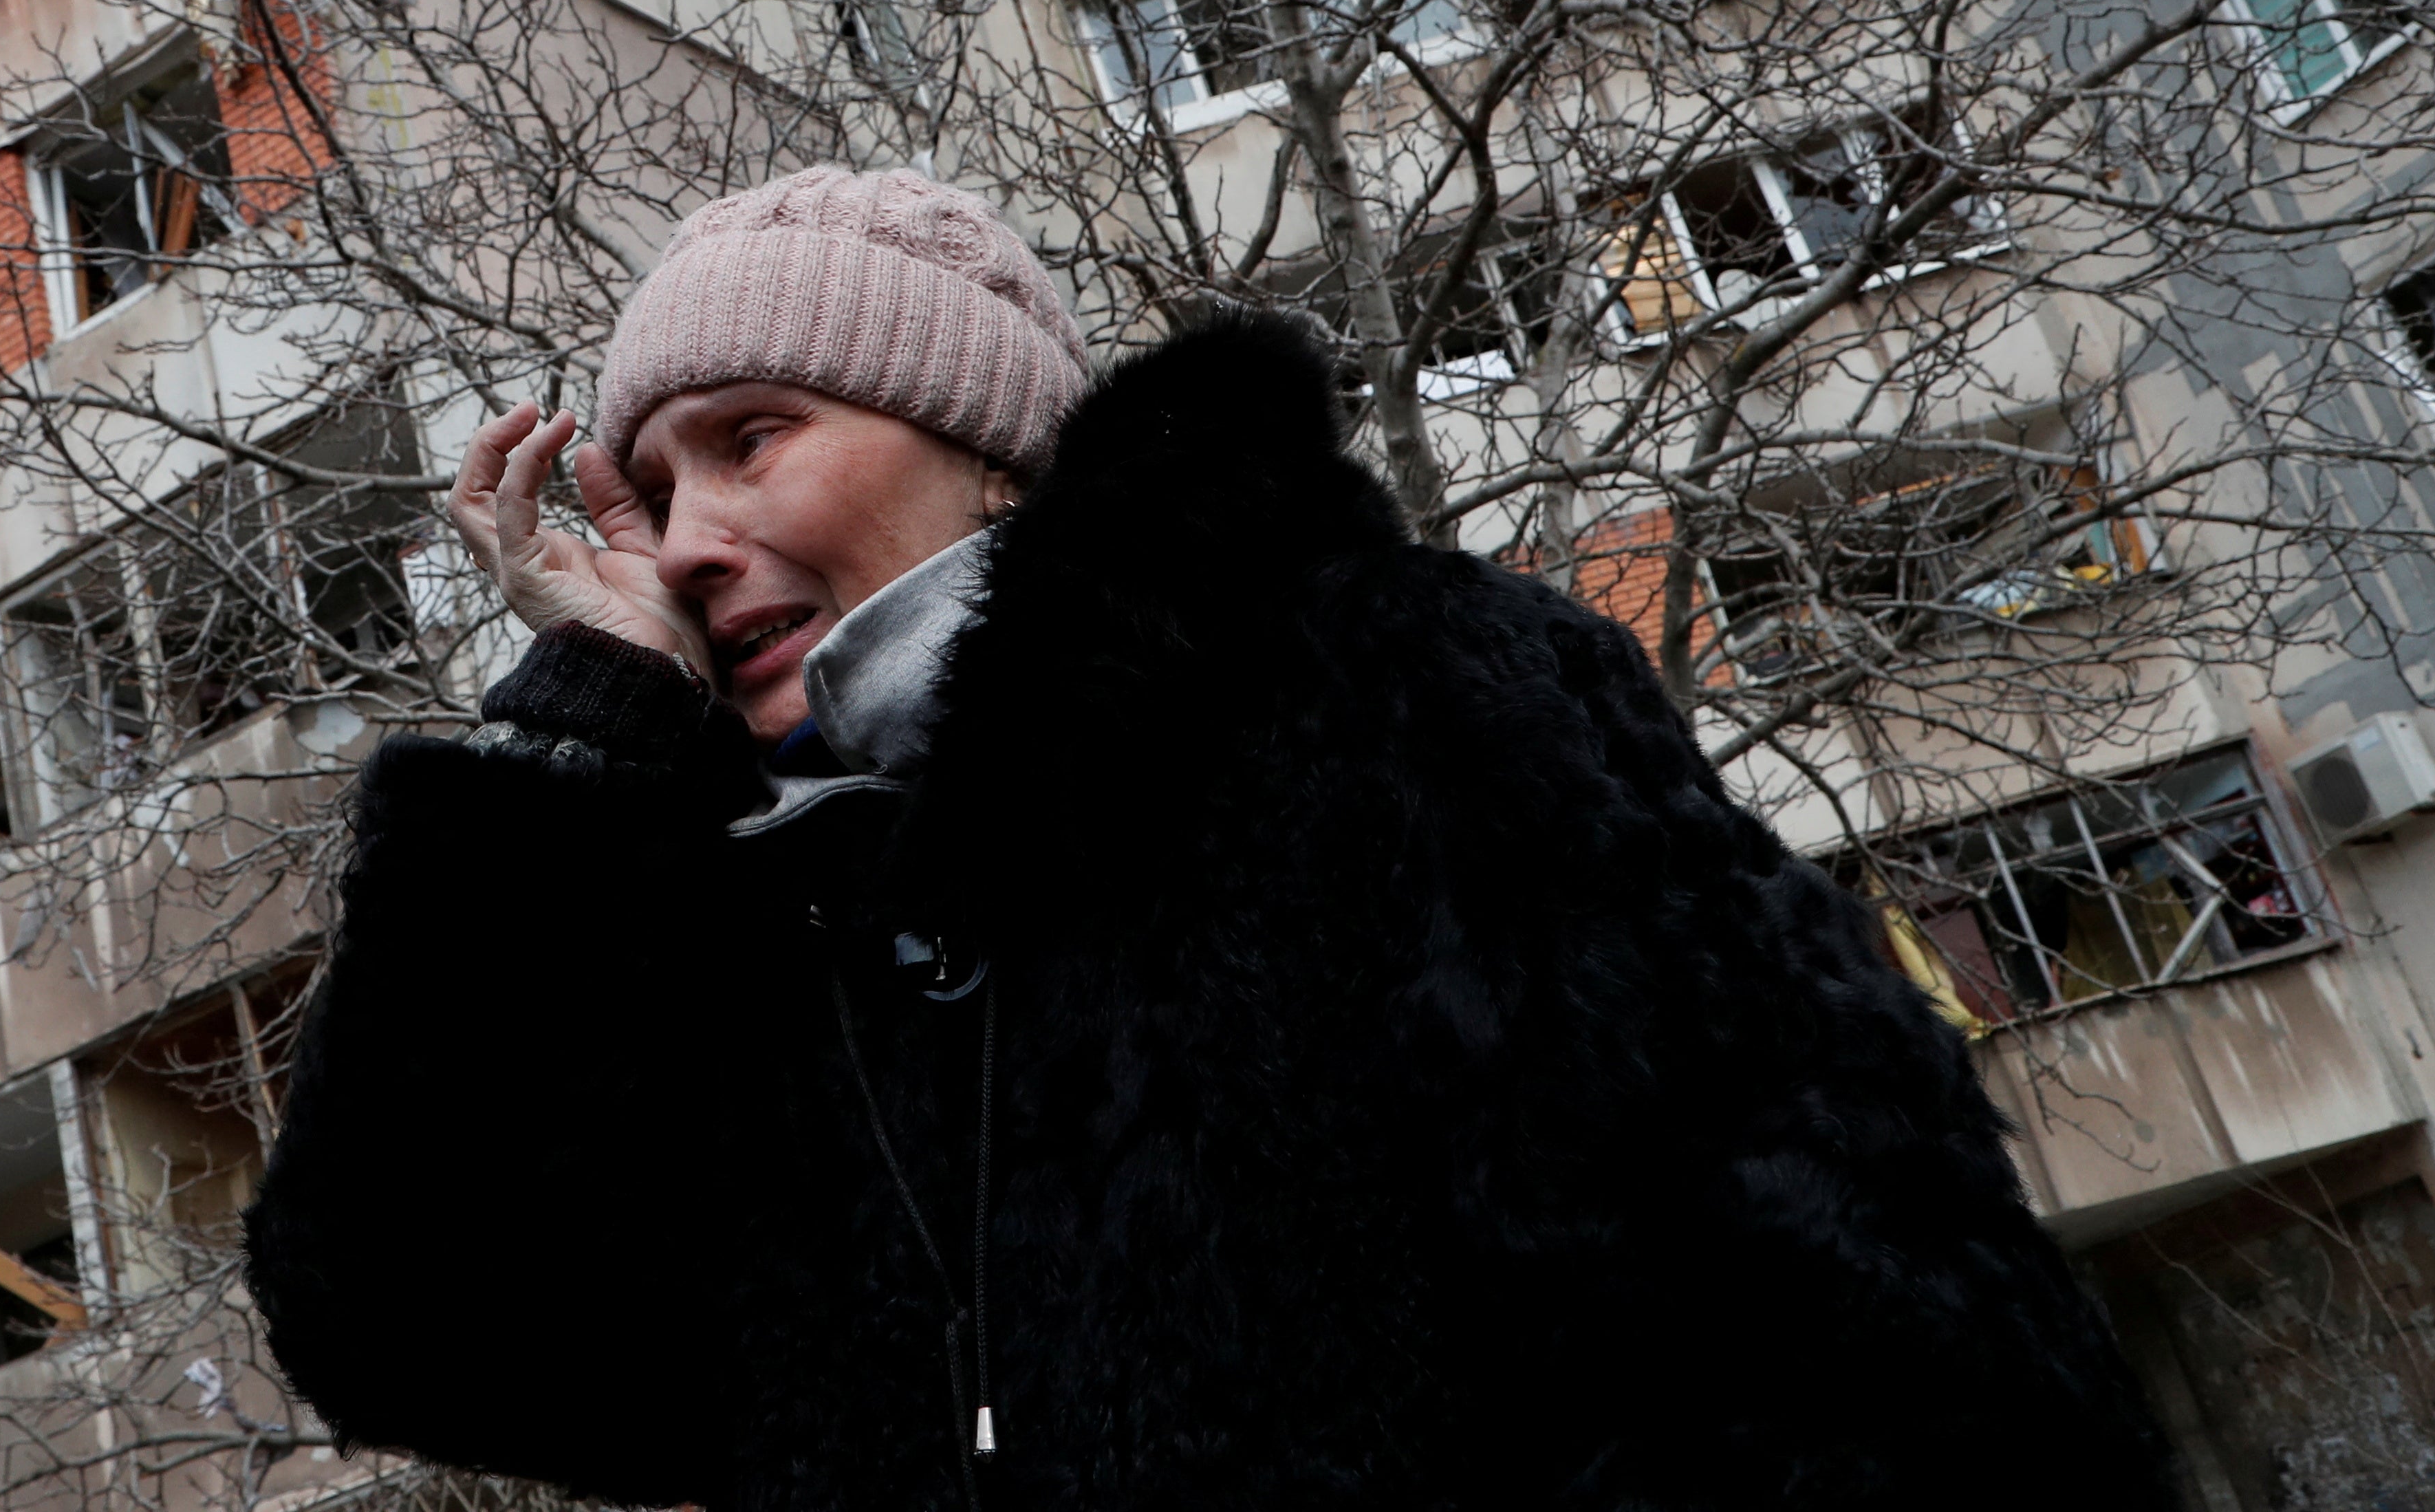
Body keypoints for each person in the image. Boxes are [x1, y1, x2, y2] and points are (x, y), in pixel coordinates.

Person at [246, 166, 2170, 1510]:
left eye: (754, 437)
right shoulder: (758, 918)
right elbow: (416, 1329)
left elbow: (1868, 1327)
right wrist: (582, 753)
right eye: (654, 485)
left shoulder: (1391, 690)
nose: (681, 539)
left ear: (986, 439)